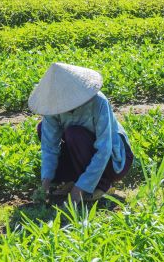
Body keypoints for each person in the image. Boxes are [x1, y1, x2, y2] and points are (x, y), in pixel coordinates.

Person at [28, 63, 133, 204]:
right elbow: (49, 147)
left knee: (74, 134)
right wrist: (45, 184)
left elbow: (104, 149)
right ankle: (73, 179)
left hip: (113, 161)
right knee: (43, 129)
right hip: (81, 152)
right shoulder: (53, 108)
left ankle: (102, 186)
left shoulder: (98, 102)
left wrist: (80, 189)